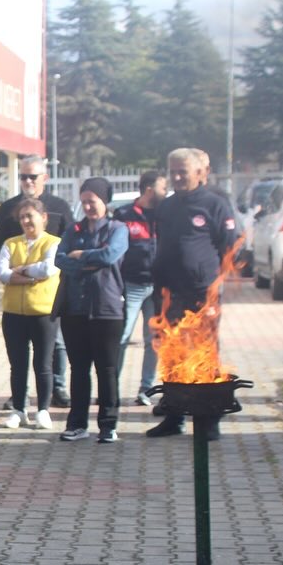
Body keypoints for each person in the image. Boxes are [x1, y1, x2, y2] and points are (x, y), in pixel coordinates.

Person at [146, 149, 238, 438]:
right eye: (172, 171)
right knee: (172, 354)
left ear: (200, 173)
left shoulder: (216, 204)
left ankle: (208, 420)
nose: (176, 177)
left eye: (182, 172)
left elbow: (229, 248)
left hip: (202, 294)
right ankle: (174, 417)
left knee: (204, 353)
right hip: (168, 293)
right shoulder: (167, 206)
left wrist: (212, 283)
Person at [0, 155, 76, 408]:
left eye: (33, 176)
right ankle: (19, 397)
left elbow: (67, 245)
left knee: (56, 344)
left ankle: (58, 388)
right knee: (19, 355)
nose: (27, 181)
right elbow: (0, 246)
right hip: (16, 291)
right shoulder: (8, 207)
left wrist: (31, 271)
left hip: (51, 290)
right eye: (23, 176)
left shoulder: (59, 206)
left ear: (45, 178)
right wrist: (17, 273)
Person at [53, 177, 129, 444]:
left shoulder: (118, 229)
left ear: (104, 201)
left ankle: (108, 424)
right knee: (79, 369)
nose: (87, 207)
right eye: (83, 201)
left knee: (106, 369)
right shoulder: (73, 230)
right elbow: (59, 259)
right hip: (75, 308)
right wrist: (87, 258)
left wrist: (80, 256)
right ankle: (77, 424)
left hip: (107, 309)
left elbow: (110, 256)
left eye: (92, 201)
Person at [0, 198, 61, 430]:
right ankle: (18, 409)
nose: (25, 221)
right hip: (14, 313)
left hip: (43, 312)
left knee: (43, 364)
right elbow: (2, 273)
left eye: (30, 216)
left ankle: (43, 410)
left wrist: (21, 271)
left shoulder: (53, 243)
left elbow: (48, 269)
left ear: (43, 218)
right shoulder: (10, 243)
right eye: (22, 217)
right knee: (18, 364)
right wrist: (31, 275)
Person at [113, 170, 167, 406]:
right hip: (130, 286)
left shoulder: (164, 215)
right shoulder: (124, 214)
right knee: (121, 337)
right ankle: (111, 386)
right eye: (162, 188)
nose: (165, 193)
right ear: (149, 189)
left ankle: (147, 388)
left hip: (157, 288)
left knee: (153, 340)